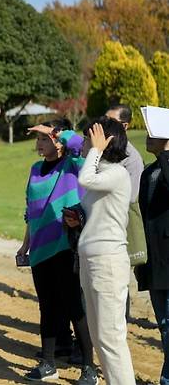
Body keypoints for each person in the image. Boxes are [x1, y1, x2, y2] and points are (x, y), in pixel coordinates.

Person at [17, 119, 95, 383]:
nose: (38, 144)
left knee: (75, 306)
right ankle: (48, 364)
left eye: (43, 140)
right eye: (37, 140)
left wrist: (58, 133)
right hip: (39, 249)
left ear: (57, 143)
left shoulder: (73, 165)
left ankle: (89, 368)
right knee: (47, 307)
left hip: (65, 246)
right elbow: (31, 210)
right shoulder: (35, 169)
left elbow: (83, 146)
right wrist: (26, 243)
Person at [75, 117, 135, 384]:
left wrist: (96, 150)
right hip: (92, 258)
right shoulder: (103, 173)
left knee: (111, 338)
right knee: (100, 338)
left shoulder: (117, 173)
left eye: (89, 138)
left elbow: (85, 178)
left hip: (108, 261)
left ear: (105, 141)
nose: (85, 143)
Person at [105, 104, 145, 322]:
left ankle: (121, 319)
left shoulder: (132, 158)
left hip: (120, 225)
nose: (105, 126)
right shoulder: (101, 150)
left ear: (125, 126)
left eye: (111, 122)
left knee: (118, 276)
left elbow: (130, 197)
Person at [135, 131, 169, 385]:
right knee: (165, 325)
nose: (148, 138)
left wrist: (167, 153)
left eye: (155, 133)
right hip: (155, 261)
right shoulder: (149, 172)